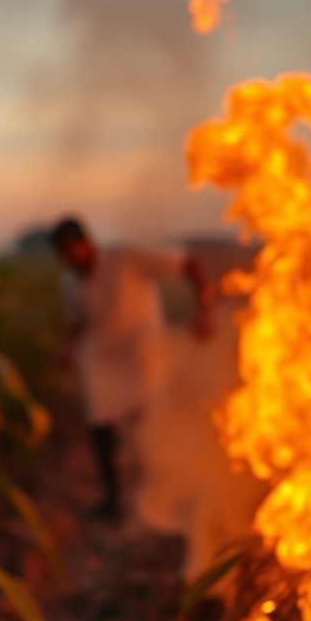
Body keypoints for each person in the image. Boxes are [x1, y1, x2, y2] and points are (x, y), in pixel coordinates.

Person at [51, 215, 214, 518]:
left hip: (142, 352)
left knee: (152, 425)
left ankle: (173, 493)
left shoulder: (125, 257)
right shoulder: (70, 281)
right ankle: (112, 499)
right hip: (104, 359)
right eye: (63, 255)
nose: (69, 259)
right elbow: (77, 321)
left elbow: (190, 263)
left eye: (71, 250)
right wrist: (67, 348)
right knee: (100, 427)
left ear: (86, 243)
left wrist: (203, 311)